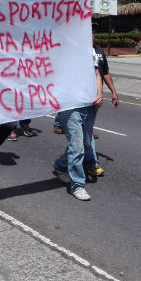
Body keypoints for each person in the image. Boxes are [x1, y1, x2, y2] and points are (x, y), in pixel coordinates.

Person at [53, 45, 103, 201]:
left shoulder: (90, 50)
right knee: (77, 146)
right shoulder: (61, 50)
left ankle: (61, 165)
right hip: (70, 106)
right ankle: (77, 185)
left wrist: (100, 93)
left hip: (89, 104)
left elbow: (97, 73)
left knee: (85, 143)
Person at [85, 24, 119, 177]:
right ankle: (88, 163)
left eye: (93, 32)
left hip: (95, 99)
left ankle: (89, 163)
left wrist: (113, 91)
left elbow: (104, 73)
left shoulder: (99, 51)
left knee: (86, 133)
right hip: (80, 99)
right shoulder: (76, 51)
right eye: (89, 32)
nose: (92, 34)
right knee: (84, 134)